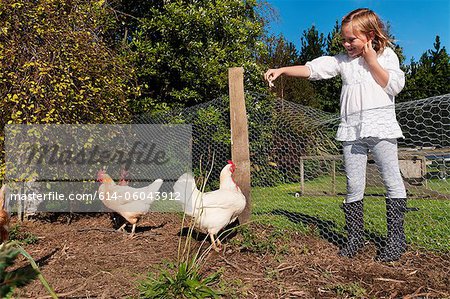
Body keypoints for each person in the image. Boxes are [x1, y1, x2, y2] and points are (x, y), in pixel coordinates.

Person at [264, 8, 407, 262]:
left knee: (391, 179)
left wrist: (372, 61)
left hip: (381, 128)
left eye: (351, 39)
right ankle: (355, 237)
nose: (346, 44)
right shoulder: (342, 62)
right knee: (353, 184)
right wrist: (283, 69)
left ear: (370, 35)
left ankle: (396, 240)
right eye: (344, 39)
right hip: (352, 131)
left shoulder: (386, 57)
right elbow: (313, 69)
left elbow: (394, 85)